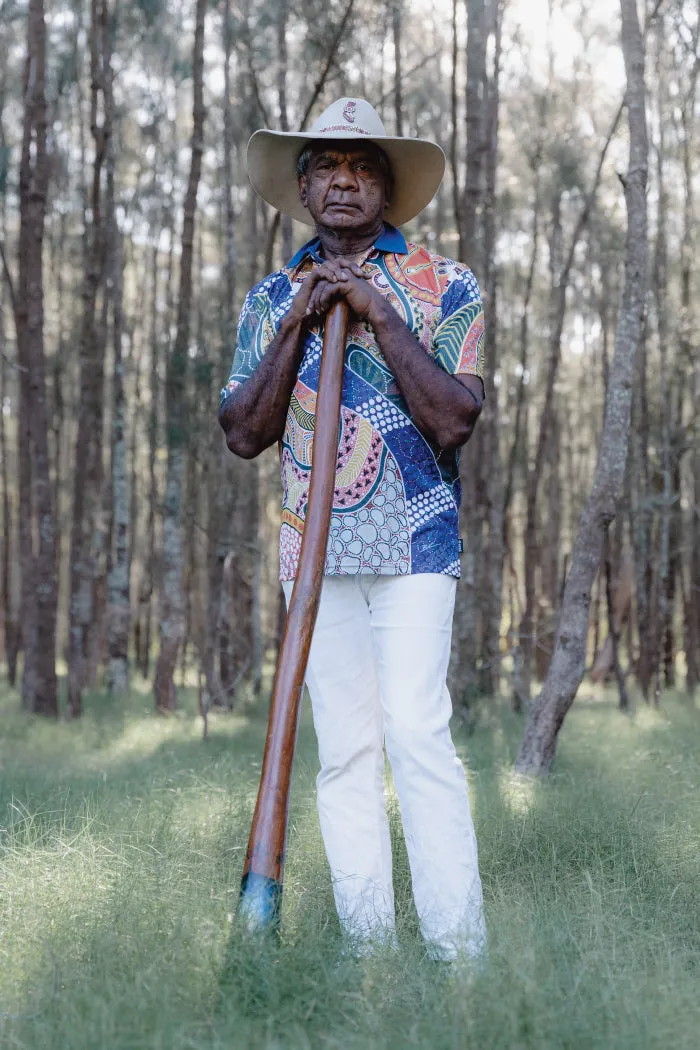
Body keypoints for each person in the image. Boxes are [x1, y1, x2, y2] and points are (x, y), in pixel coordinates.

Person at [219, 98, 486, 962]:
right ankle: (367, 953)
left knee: (416, 733)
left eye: (362, 165)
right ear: (302, 187)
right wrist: (300, 320)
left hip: (417, 546)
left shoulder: (448, 284)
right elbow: (243, 432)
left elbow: (454, 421)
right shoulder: (268, 298)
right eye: (326, 165)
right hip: (314, 551)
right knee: (343, 754)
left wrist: (377, 311)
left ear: (388, 188)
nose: (343, 180)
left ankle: (458, 957)